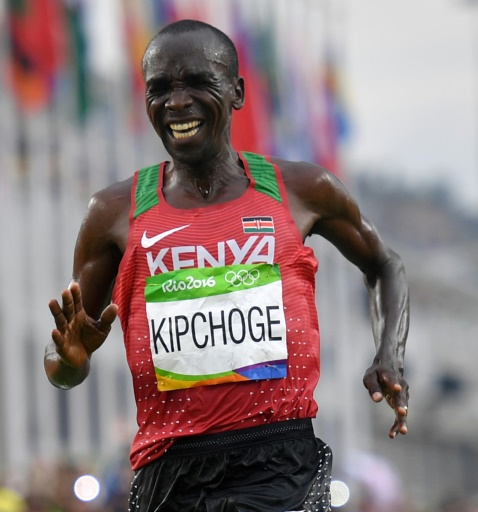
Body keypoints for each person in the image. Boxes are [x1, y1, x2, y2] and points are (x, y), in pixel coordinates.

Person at [45, 19, 409, 512]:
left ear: (236, 92)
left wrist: (389, 353)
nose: (176, 103)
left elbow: (384, 263)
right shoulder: (112, 213)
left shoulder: (300, 190)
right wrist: (70, 359)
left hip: (280, 462)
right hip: (170, 470)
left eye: (197, 83)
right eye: (159, 89)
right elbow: (61, 369)